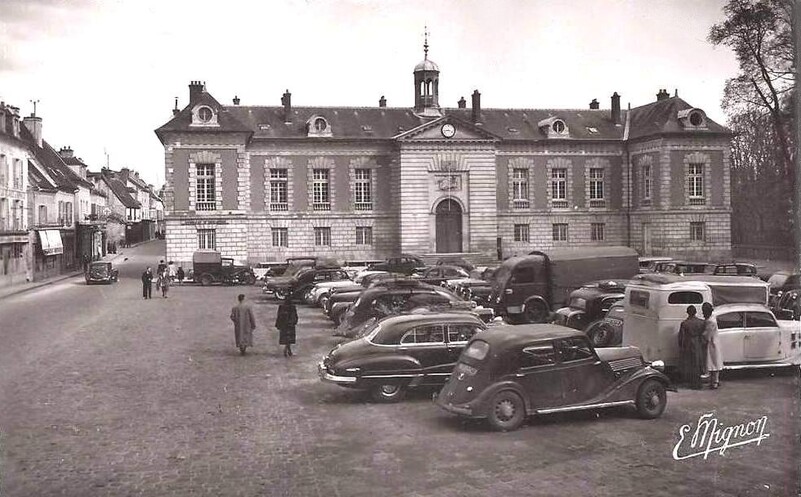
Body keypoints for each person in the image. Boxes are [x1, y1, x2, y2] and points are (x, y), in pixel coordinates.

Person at [677, 305, 706, 389]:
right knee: (698, 362)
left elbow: (681, 337)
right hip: (698, 343)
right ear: (695, 312)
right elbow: (704, 334)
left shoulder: (685, 323)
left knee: (690, 364)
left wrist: (681, 346)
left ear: (688, 313)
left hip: (688, 343)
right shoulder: (701, 322)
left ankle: (693, 383)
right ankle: (699, 382)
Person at [702, 302, 723, 389]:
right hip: (714, 342)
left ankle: (714, 382)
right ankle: (715, 380)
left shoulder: (710, 321)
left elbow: (707, 335)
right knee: (715, 362)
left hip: (712, 343)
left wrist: (702, 335)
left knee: (712, 363)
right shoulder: (712, 318)